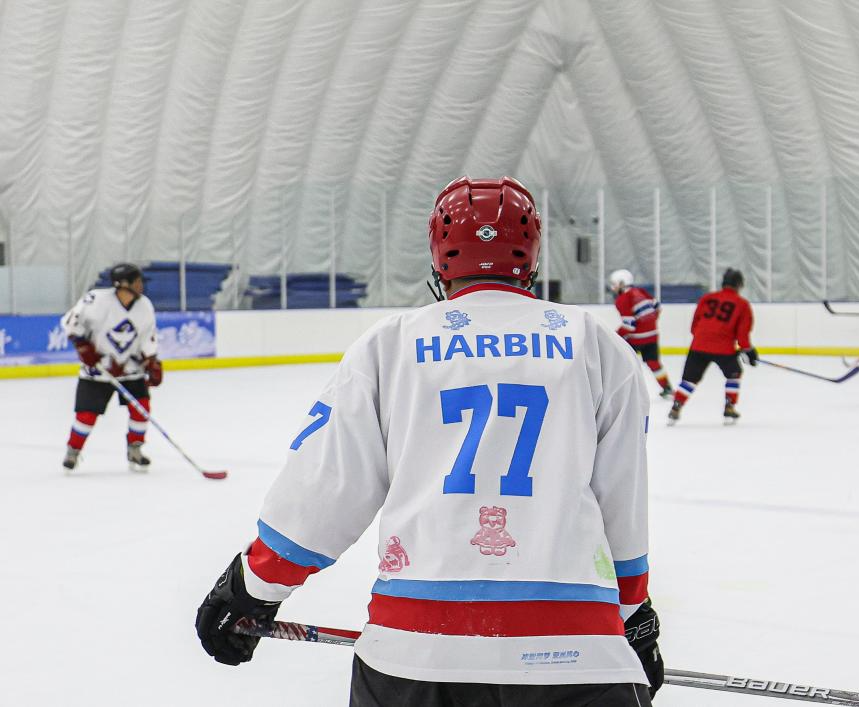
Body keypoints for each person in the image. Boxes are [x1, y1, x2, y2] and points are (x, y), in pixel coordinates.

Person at [195, 177, 664, 706]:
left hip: (415, 653)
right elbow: (622, 502)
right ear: (532, 253)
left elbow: (325, 490)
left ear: (440, 256)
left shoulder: (391, 344)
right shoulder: (598, 345)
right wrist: (633, 613)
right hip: (576, 653)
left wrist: (252, 587)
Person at [60, 263, 162, 473]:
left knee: (141, 408)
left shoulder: (145, 305)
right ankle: (73, 450)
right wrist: (83, 346)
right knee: (86, 415)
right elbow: (70, 323)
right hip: (98, 370)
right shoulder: (96, 300)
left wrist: (152, 361)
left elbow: (147, 337)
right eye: (137, 281)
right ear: (123, 284)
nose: (141, 285)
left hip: (130, 369)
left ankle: (135, 449)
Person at [668, 268, 755, 425]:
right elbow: (743, 334)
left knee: (689, 379)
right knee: (734, 374)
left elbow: (694, 325)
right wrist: (748, 350)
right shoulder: (742, 304)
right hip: (724, 348)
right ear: (739, 285)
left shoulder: (707, 298)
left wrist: (703, 338)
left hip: (698, 345)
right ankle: (729, 406)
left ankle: (676, 406)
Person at [609, 269, 673, 399]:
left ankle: (619, 391)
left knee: (621, 363)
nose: (613, 287)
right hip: (652, 336)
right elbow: (657, 307)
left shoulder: (622, 299)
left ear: (622, 283)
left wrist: (614, 336)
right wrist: (649, 323)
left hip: (636, 339)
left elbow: (629, 326)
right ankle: (667, 388)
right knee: (653, 363)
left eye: (614, 284)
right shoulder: (642, 291)